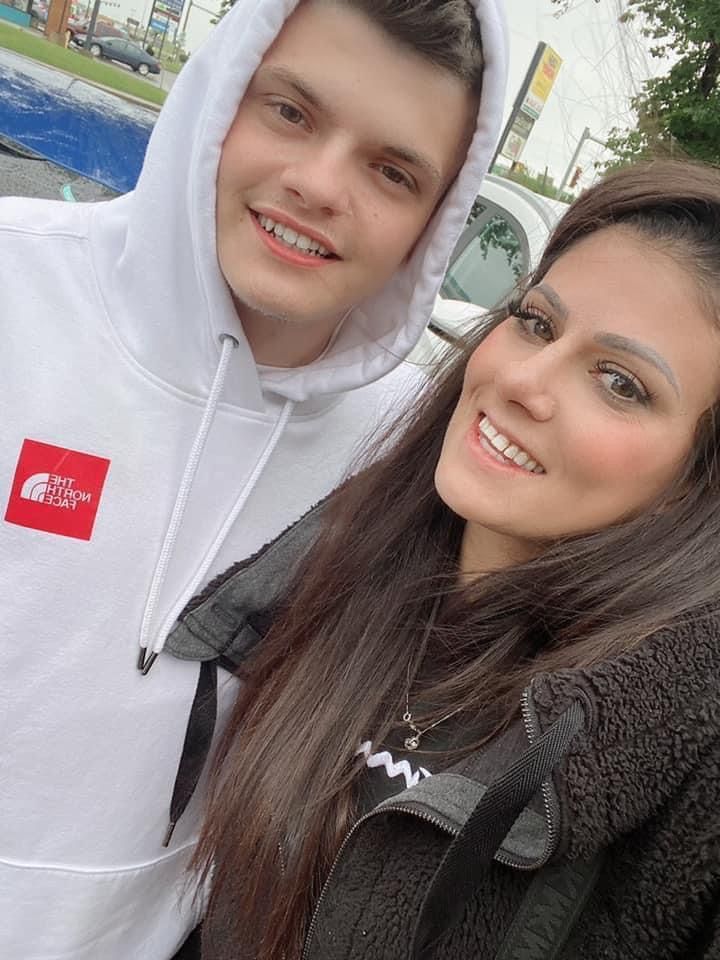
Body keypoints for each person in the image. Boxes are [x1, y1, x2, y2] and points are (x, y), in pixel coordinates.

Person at [0, 1, 509, 958]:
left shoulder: (409, 449)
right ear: (222, 96)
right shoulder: (16, 288)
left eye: (392, 171)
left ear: (433, 226)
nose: (319, 185)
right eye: (291, 112)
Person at [166, 160, 720, 959]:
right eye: (536, 323)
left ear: (693, 484)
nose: (522, 380)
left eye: (620, 383)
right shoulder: (344, 564)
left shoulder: (677, 754)